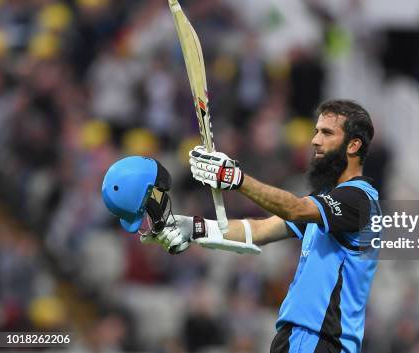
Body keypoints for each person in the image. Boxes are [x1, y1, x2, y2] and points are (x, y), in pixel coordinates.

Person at [103, 99, 381, 353]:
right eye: (316, 131)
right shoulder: (328, 205)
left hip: (319, 340)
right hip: (300, 338)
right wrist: (193, 227)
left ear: (353, 145)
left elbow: (295, 209)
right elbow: (258, 232)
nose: (315, 141)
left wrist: (235, 178)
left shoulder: (358, 200)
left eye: (327, 133)